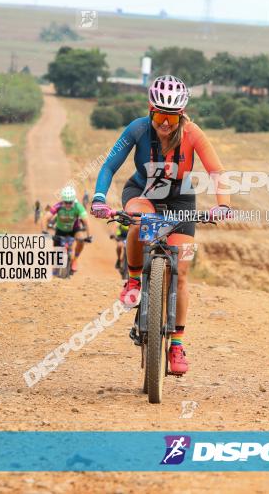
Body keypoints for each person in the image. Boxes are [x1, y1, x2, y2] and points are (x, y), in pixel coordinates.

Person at [90, 75, 232, 375]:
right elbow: (109, 165)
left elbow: (216, 171)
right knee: (138, 224)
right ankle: (132, 279)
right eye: (159, 115)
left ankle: (177, 344)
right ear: (150, 110)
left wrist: (223, 205)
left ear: (181, 115)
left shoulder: (193, 133)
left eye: (171, 117)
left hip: (181, 200)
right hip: (142, 193)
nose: (165, 123)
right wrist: (100, 198)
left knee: (180, 272)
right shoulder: (138, 128)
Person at [42, 186, 92, 273]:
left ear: (74, 200)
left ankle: (75, 259)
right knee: (57, 250)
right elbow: (45, 218)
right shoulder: (58, 206)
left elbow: (86, 221)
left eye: (70, 202)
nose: (68, 204)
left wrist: (89, 236)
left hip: (74, 230)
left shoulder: (78, 207)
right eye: (66, 202)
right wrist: (44, 232)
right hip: (60, 230)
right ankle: (57, 266)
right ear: (62, 201)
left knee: (81, 240)